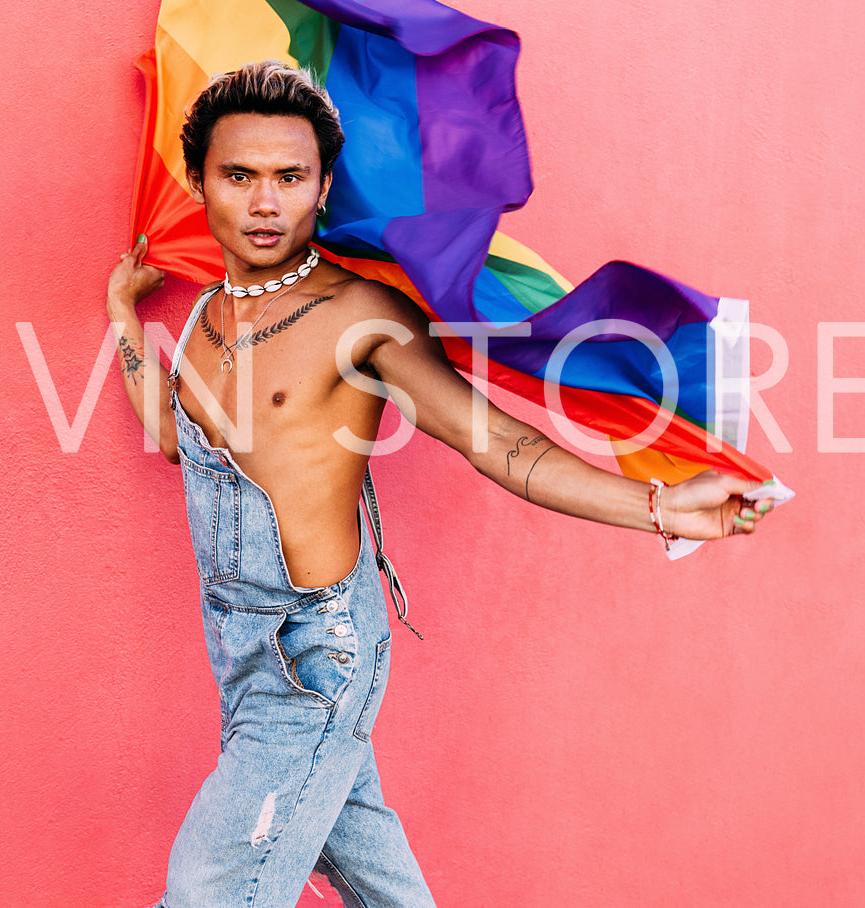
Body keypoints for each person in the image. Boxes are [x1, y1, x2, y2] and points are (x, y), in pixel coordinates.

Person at [106, 60, 775, 907]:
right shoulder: (202, 316)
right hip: (239, 656)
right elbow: (175, 440)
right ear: (198, 180)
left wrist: (658, 505)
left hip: (315, 656)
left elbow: (496, 443)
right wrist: (125, 316)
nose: (265, 202)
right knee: (378, 882)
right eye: (239, 176)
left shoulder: (357, 315)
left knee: (208, 891)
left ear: (321, 189)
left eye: (290, 178)